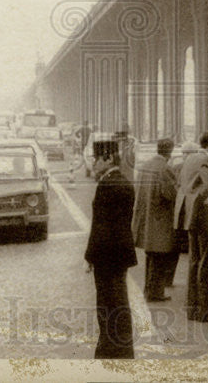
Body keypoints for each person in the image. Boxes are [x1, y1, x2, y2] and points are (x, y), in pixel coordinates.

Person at [84, 139, 137, 359]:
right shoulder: (122, 182)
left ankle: (111, 350)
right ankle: (118, 349)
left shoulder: (107, 185)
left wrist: (90, 256)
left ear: (108, 159)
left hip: (106, 255)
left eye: (97, 159)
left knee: (108, 304)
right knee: (117, 302)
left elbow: (100, 226)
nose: (94, 164)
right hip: (119, 253)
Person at [176, 131, 208, 323]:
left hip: (191, 217)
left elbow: (182, 184)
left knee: (194, 261)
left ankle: (193, 309)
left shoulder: (190, 159)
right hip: (205, 217)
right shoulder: (205, 160)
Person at [131, 138, 180, 302]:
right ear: (170, 151)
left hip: (146, 218)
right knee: (160, 256)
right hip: (160, 218)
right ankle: (156, 292)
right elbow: (169, 194)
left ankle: (148, 289)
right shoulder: (164, 168)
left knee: (150, 255)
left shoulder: (146, 165)